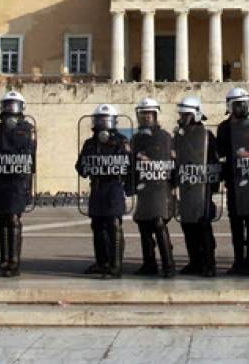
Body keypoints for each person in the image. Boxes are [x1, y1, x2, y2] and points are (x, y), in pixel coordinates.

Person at [0, 90, 36, 277]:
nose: (10, 110)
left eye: (14, 106)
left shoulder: (27, 129)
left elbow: (29, 153)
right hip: (0, 180)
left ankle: (13, 262)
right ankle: (3, 260)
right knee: (1, 220)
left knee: (13, 220)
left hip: (17, 181)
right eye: (7, 105)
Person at [217, 87, 249, 275]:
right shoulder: (223, 128)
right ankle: (239, 260)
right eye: (237, 104)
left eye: (243, 104)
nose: (240, 108)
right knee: (236, 225)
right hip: (233, 181)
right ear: (230, 106)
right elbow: (219, 153)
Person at [75, 103, 132, 279]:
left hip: (114, 186)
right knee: (97, 226)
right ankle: (102, 262)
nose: (103, 124)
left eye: (106, 120)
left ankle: (115, 265)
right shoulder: (90, 143)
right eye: (100, 120)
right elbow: (81, 167)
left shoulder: (121, 141)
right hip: (97, 186)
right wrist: (88, 166)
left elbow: (129, 166)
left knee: (114, 225)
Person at [130, 97, 176, 277]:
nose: (146, 117)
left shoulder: (164, 136)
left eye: (149, 114)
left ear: (155, 115)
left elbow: (170, 159)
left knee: (158, 223)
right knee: (143, 224)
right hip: (144, 186)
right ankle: (149, 264)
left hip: (159, 185)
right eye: (143, 114)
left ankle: (169, 264)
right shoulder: (136, 138)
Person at [174, 95, 220, 278]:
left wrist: (213, 184)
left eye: (186, 115)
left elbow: (214, 160)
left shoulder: (207, 135)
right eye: (182, 115)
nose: (183, 118)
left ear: (196, 115)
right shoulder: (179, 135)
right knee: (187, 226)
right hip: (186, 186)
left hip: (202, 188)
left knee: (203, 227)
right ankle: (195, 262)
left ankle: (209, 263)